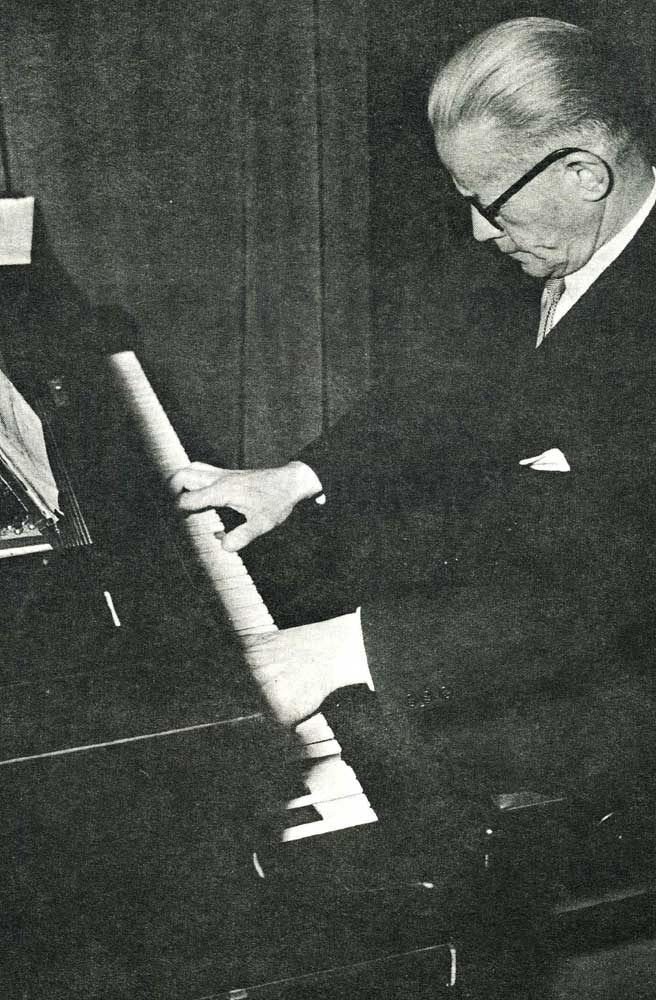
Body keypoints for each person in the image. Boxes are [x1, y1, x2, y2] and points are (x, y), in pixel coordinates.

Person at [170, 17, 656, 805]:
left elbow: (619, 581)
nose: (477, 231)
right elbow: (435, 396)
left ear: (583, 174)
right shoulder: (552, 245)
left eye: (489, 203)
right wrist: (295, 477)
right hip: (493, 608)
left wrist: (348, 650)